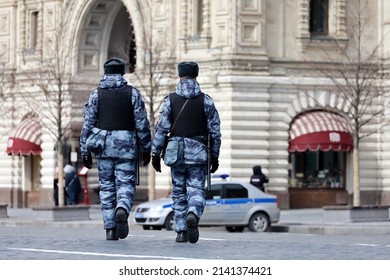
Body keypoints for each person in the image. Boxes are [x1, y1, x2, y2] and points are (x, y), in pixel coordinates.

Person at [80, 57, 152, 241]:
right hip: (127, 146)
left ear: (105, 72)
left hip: (103, 147)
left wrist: (84, 150)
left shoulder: (96, 94)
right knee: (126, 184)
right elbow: (142, 123)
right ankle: (122, 208)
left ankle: (110, 228)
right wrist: (146, 147)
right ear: (122, 72)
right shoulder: (133, 93)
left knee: (106, 188)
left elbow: (87, 125)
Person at [151, 61, 221, 244]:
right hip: (198, 153)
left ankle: (181, 231)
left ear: (180, 75)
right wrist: (214, 155)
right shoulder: (206, 100)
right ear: (196, 76)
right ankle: (193, 213)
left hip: (177, 154)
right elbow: (215, 131)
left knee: (179, 193)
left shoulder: (170, 100)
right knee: (196, 190)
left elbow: (161, 129)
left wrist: (155, 153)